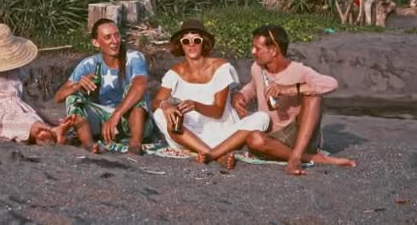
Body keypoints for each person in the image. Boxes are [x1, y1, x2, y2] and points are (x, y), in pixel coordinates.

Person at [232, 24, 356, 175]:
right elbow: (253, 85)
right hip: (271, 137)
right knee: (254, 139)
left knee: (313, 96)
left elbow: (331, 83)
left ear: (273, 50)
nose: (252, 52)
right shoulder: (257, 68)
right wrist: (242, 95)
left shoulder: (299, 70)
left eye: (257, 48)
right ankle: (315, 158)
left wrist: (292, 89)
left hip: (300, 136)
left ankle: (296, 157)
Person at [152, 19, 270, 168]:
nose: (191, 44)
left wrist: (196, 105)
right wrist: (165, 104)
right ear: (181, 45)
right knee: (159, 114)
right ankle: (217, 154)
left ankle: (210, 153)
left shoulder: (221, 67)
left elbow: (217, 111)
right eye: (186, 41)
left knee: (262, 118)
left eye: (196, 40)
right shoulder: (174, 73)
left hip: (224, 133)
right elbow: (155, 101)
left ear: (204, 42)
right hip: (188, 135)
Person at [54, 18, 153, 155]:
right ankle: (89, 144)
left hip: (132, 120)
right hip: (103, 121)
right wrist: (77, 86)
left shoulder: (134, 57)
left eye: (117, 35)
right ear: (96, 43)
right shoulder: (89, 64)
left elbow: (140, 85)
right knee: (73, 97)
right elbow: (58, 97)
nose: (114, 41)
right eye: (107, 37)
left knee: (134, 90)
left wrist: (116, 115)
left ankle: (135, 144)